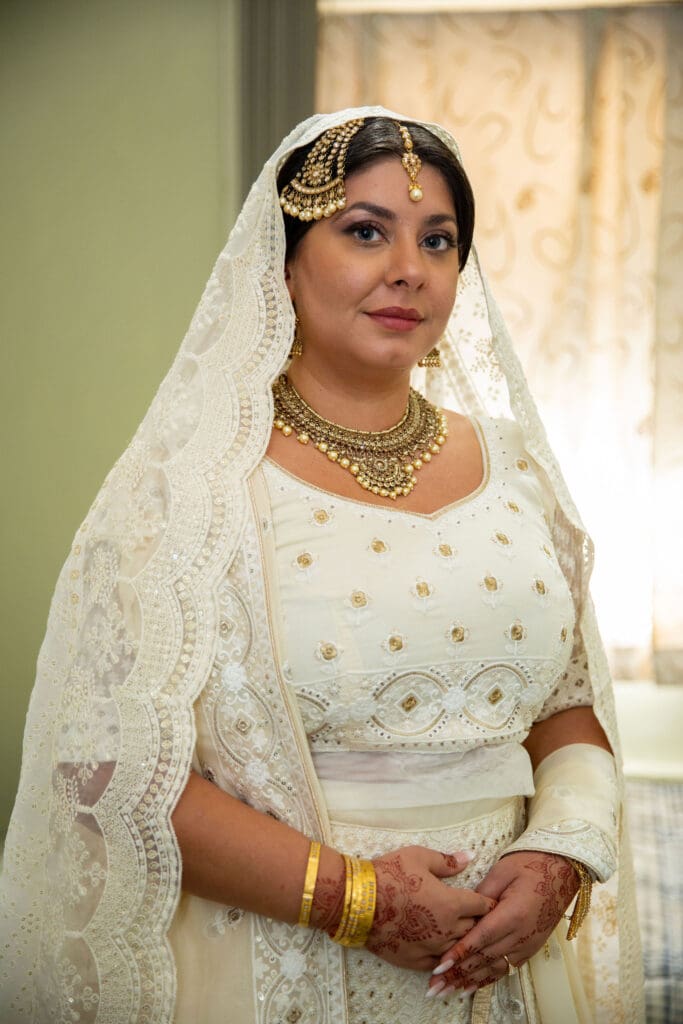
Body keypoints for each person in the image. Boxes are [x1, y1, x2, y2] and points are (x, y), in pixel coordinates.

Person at [0, 107, 644, 1024]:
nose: (408, 270)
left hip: (504, 966)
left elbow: (566, 711)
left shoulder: (519, 470)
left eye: (439, 240)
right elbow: (106, 757)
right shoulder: (191, 489)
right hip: (274, 960)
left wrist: (558, 857)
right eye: (364, 231)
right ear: (286, 259)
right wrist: (353, 899)